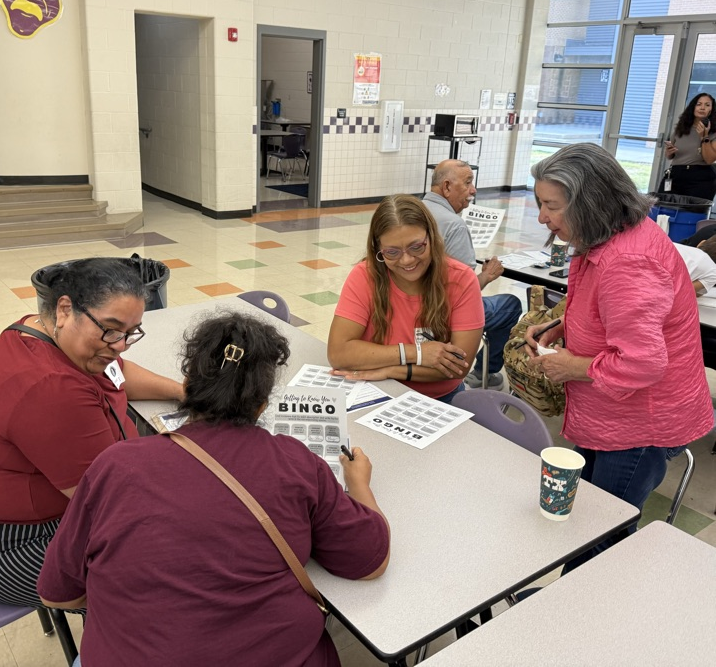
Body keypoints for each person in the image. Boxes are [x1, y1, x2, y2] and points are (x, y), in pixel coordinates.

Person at [38, 312, 390, 667]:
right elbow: (370, 562)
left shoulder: (114, 465)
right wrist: (359, 484)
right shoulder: (295, 463)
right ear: (262, 405)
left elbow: (59, 594)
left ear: (188, 385)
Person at [525, 143, 713, 564]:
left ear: (589, 202)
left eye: (551, 206)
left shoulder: (629, 260)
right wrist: (561, 326)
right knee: (583, 519)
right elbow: (604, 314)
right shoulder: (606, 238)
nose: (542, 218)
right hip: (610, 412)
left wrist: (569, 365)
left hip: (638, 423)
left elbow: (642, 362)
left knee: (600, 537)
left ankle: (585, 614)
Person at [0, 258, 184, 608]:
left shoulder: (44, 330)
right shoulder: (50, 388)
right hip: (9, 545)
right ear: (65, 308)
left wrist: (184, 391)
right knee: (167, 577)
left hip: (33, 512)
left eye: (131, 332)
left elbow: (117, 370)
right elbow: (111, 505)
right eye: (111, 329)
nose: (121, 345)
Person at [327, 194, 484, 403]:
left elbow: (457, 367)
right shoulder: (365, 275)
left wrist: (391, 370)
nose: (407, 260)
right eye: (391, 252)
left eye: (417, 246)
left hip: (439, 398)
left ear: (431, 237)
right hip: (377, 390)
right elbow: (339, 354)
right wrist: (417, 354)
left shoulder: (462, 279)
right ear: (378, 249)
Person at [422, 159, 522, 389]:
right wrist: (487, 275)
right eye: (468, 183)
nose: (473, 190)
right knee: (511, 304)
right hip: (441, 313)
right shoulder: (454, 225)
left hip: (415, 308)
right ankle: (481, 374)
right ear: (446, 187)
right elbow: (462, 296)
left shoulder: (416, 210)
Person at [659, 93, 716, 200]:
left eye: (707, 105)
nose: (702, 107)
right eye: (699, 104)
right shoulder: (681, 128)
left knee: (693, 214)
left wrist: (704, 136)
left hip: (700, 179)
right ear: (693, 107)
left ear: (712, 110)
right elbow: (670, 156)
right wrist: (669, 152)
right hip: (675, 175)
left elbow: (709, 159)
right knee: (663, 208)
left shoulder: (714, 133)